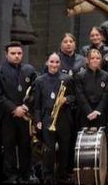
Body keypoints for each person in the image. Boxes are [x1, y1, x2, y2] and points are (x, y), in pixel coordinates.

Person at [0, 41, 38, 184]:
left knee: (25, 145)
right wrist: (14, 108)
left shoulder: (29, 70)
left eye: (19, 53)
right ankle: (11, 176)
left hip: (25, 115)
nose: (16, 56)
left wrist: (26, 106)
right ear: (6, 55)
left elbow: (36, 90)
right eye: (13, 53)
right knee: (9, 146)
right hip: (7, 116)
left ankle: (26, 174)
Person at [33, 52, 75, 185]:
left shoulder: (67, 79)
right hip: (47, 118)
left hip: (64, 118)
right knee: (49, 150)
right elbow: (37, 104)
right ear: (47, 63)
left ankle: (62, 175)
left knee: (64, 148)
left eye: (57, 62)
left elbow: (74, 97)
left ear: (59, 64)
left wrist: (66, 99)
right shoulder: (40, 80)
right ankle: (48, 176)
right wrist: (38, 120)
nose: (54, 65)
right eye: (51, 62)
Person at [74, 48, 108, 128]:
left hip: (100, 112)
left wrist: (98, 110)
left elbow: (106, 95)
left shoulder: (106, 75)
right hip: (85, 112)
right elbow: (80, 95)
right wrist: (89, 111)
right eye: (92, 58)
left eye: (97, 58)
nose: (95, 60)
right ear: (87, 60)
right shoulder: (80, 76)